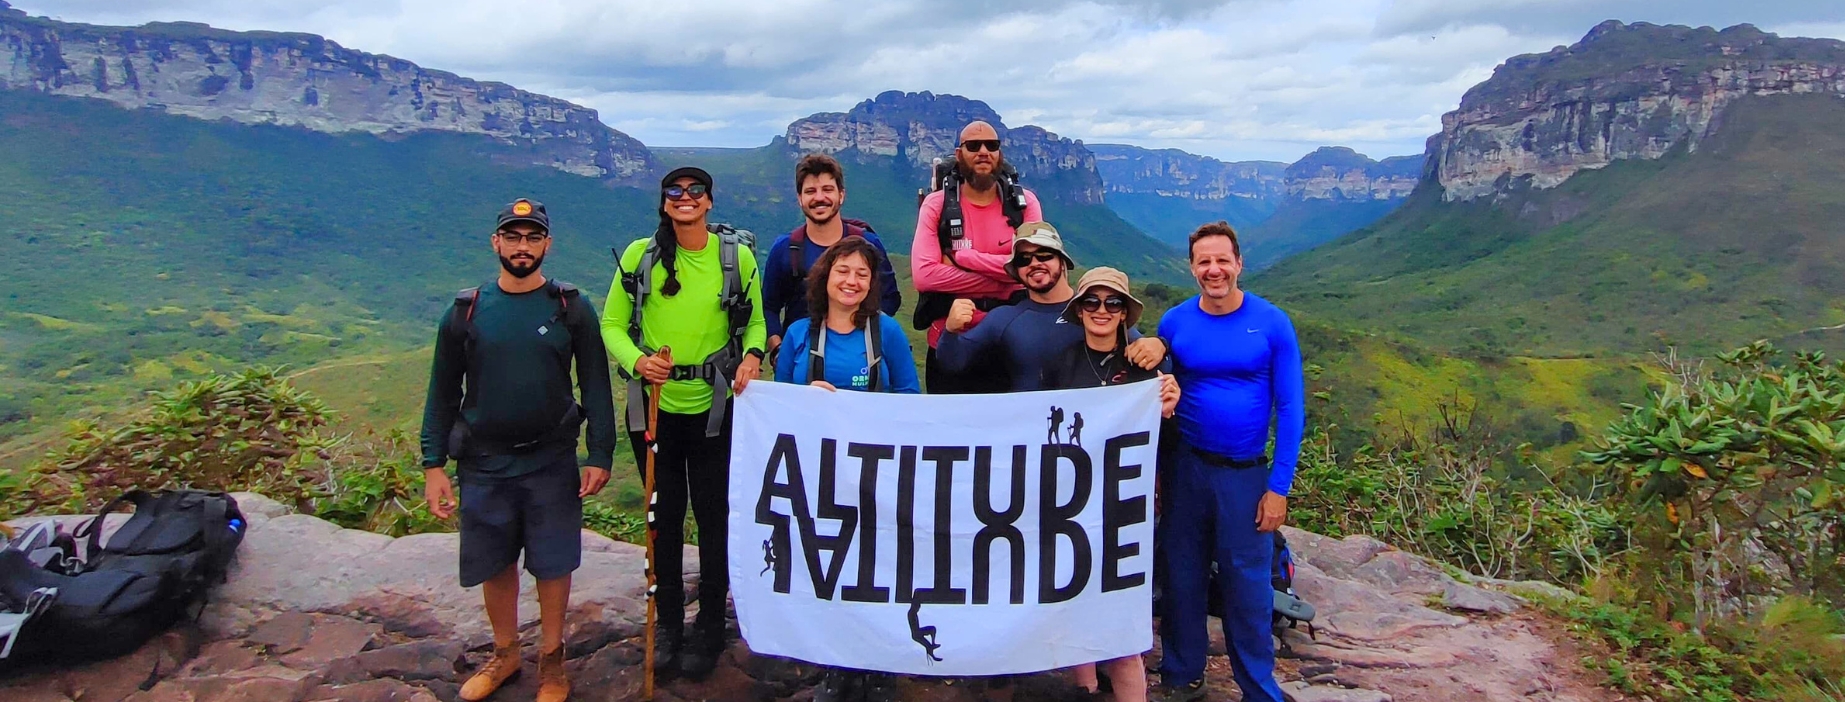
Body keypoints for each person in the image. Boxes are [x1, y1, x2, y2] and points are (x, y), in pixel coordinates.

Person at [420, 198, 617, 702]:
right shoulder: (465, 311)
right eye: (513, 237)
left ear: (547, 245)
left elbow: (595, 383)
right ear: (497, 243)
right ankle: (505, 654)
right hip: (484, 458)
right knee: (495, 560)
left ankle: (552, 660)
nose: (522, 247)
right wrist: (433, 464)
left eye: (532, 238)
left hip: (551, 457)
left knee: (553, 562)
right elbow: (442, 391)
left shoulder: (570, 307)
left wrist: (599, 454)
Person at [601, 166, 768, 680]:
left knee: (715, 518)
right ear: (664, 203)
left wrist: (753, 356)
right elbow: (611, 322)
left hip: (716, 409)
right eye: (675, 191)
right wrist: (637, 362)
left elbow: (756, 320)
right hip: (654, 410)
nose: (686, 198)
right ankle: (670, 625)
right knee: (663, 518)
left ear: (710, 202)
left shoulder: (735, 258)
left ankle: (711, 627)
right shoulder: (639, 256)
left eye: (696, 191)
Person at [1151, 222, 1305, 702]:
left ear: (1239, 263)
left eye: (1222, 260)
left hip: (1244, 474)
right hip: (1186, 468)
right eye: (1203, 261)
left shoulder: (1272, 323)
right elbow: (1159, 395)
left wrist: (1278, 489)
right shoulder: (1174, 324)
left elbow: (1292, 409)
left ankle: (1258, 687)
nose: (1213, 270)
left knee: (1248, 585)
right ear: (1192, 267)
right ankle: (1182, 675)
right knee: (1182, 574)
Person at [772, 236, 919, 702]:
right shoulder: (799, 334)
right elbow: (778, 406)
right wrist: (804, 400)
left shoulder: (886, 332)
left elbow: (911, 396)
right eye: (843, 271)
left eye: (862, 274)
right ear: (825, 276)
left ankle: (880, 665)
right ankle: (838, 664)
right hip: (820, 474)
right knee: (830, 565)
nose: (851, 281)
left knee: (880, 567)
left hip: (877, 472)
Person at [1040, 267, 1179, 702]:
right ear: (1079, 311)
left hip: (1126, 509)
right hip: (1072, 505)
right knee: (1076, 602)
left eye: (1113, 303)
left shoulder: (1144, 367)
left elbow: (1166, 441)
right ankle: (1085, 690)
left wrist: (1169, 406)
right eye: (1092, 302)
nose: (1102, 311)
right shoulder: (1060, 363)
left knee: (1121, 621)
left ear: (1124, 314)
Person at [933, 222, 1166, 392]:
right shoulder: (1005, 319)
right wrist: (951, 330)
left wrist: (1158, 346)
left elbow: (1146, 354)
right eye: (1024, 260)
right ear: (1017, 270)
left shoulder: (1096, 310)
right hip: (1029, 439)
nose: (1035, 264)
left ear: (1062, 261)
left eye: (1044, 256)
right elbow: (952, 363)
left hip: (1089, 435)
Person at [910, 120, 1040, 394]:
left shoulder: (1025, 203)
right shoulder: (938, 205)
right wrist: (1007, 278)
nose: (984, 151)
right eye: (973, 146)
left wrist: (964, 257)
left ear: (1000, 153)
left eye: (992, 145)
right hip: (950, 340)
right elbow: (924, 276)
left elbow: (1035, 268)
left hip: (1011, 342)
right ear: (959, 155)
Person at [762, 154, 902, 360]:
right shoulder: (785, 249)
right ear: (800, 198)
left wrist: (862, 333)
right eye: (810, 191)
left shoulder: (868, 243)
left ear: (841, 195)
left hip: (859, 358)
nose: (819, 198)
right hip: (801, 360)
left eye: (827, 189)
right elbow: (768, 307)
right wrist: (779, 349)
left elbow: (890, 299)